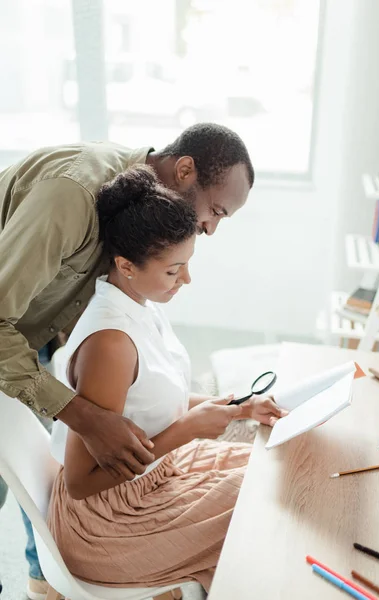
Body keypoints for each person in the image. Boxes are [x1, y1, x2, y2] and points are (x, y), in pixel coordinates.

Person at [0, 123, 254, 598]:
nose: (211, 228)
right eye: (215, 211)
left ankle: (43, 579)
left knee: (35, 452)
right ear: (183, 170)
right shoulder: (71, 198)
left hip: (24, 324)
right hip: (4, 319)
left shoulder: (133, 222)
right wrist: (83, 412)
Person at [47, 166, 286, 593]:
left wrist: (239, 407)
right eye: (175, 271)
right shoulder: (110, 345)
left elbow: (155, 400)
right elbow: (81, 484)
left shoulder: (139, 302)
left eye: (187, 266)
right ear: (126, 265)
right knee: (263, 507)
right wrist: (189, 431)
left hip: (154, 476)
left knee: (270, 471)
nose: (186, 281)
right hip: (109, 520)